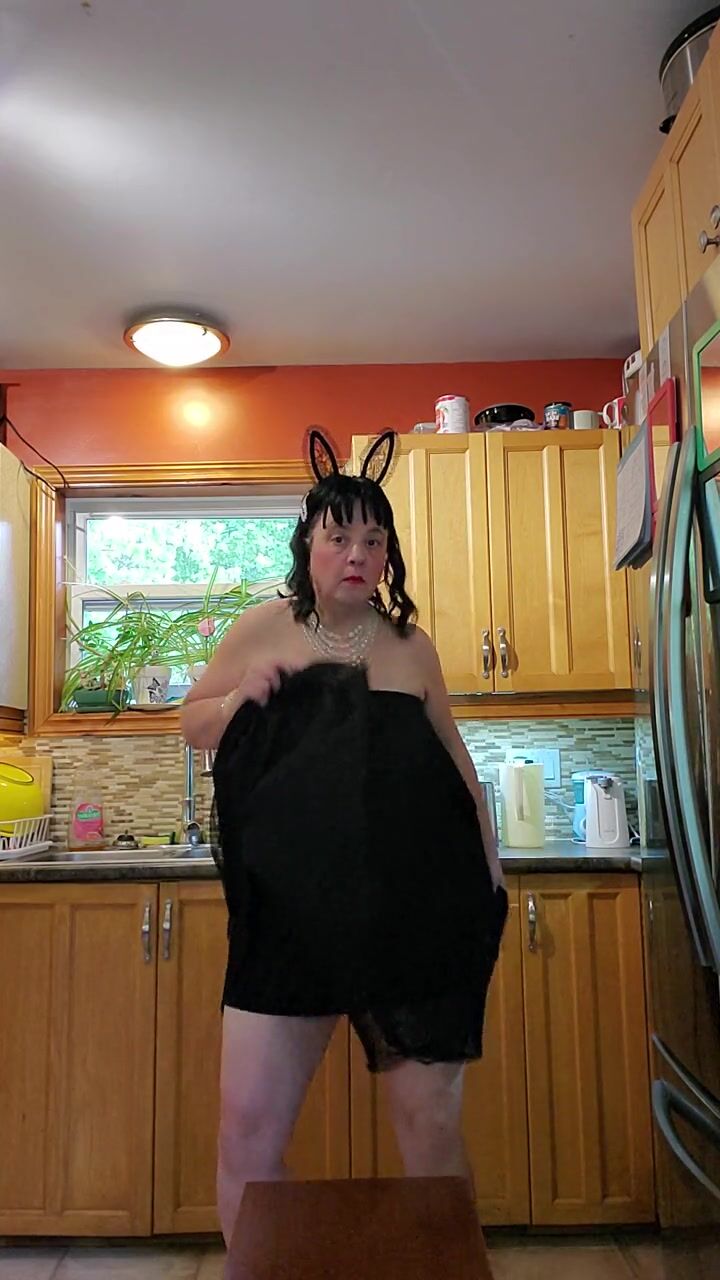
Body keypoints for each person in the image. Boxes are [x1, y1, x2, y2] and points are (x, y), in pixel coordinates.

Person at [181, 429, 507, 1246]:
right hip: (289, 925)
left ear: (388, 556)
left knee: (431, 1131)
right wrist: (240, 698)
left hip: (415, 918)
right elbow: (193, 724)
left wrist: (492, 870)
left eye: (373, 539)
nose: (356, 554)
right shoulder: (262, 628)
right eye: (339, 537)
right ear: (308, 545)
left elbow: (458, 767)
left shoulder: (412, 647)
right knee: (247, 1134)